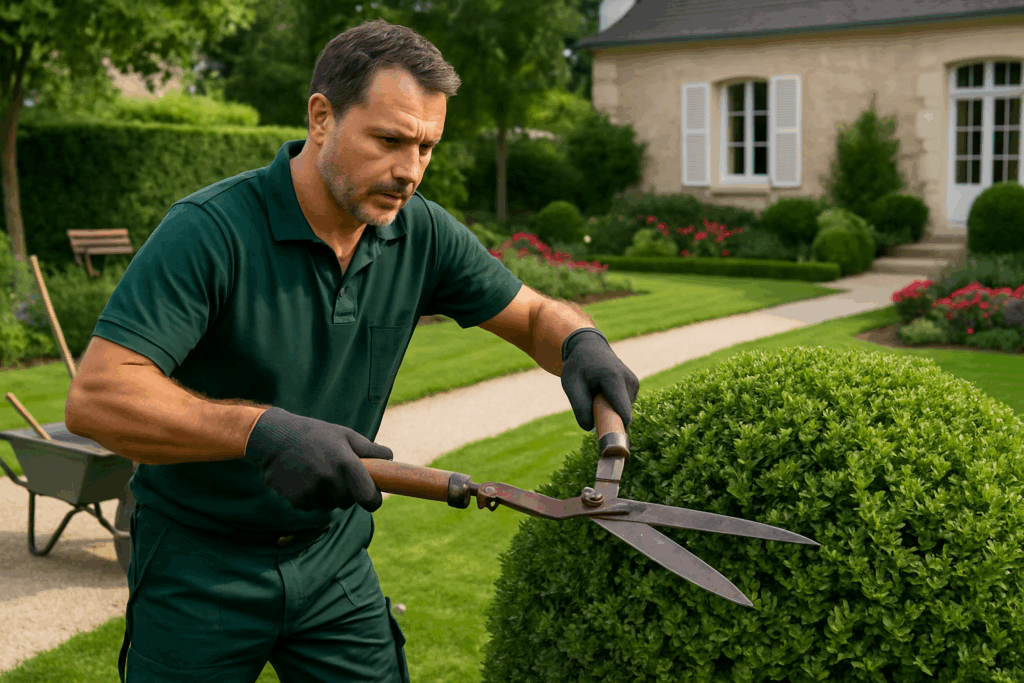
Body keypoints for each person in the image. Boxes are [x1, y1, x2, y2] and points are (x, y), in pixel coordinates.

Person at [64, 18, 639, 683]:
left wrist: (578, 340)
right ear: (320, 117)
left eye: (427, 147)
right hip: (198, 561)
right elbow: (99, 395)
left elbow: (534, 311)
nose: (410, 172)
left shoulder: (418, 232)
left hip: (332, 557)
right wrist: (260, 430)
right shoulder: (212, 230)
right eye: (389, 140)